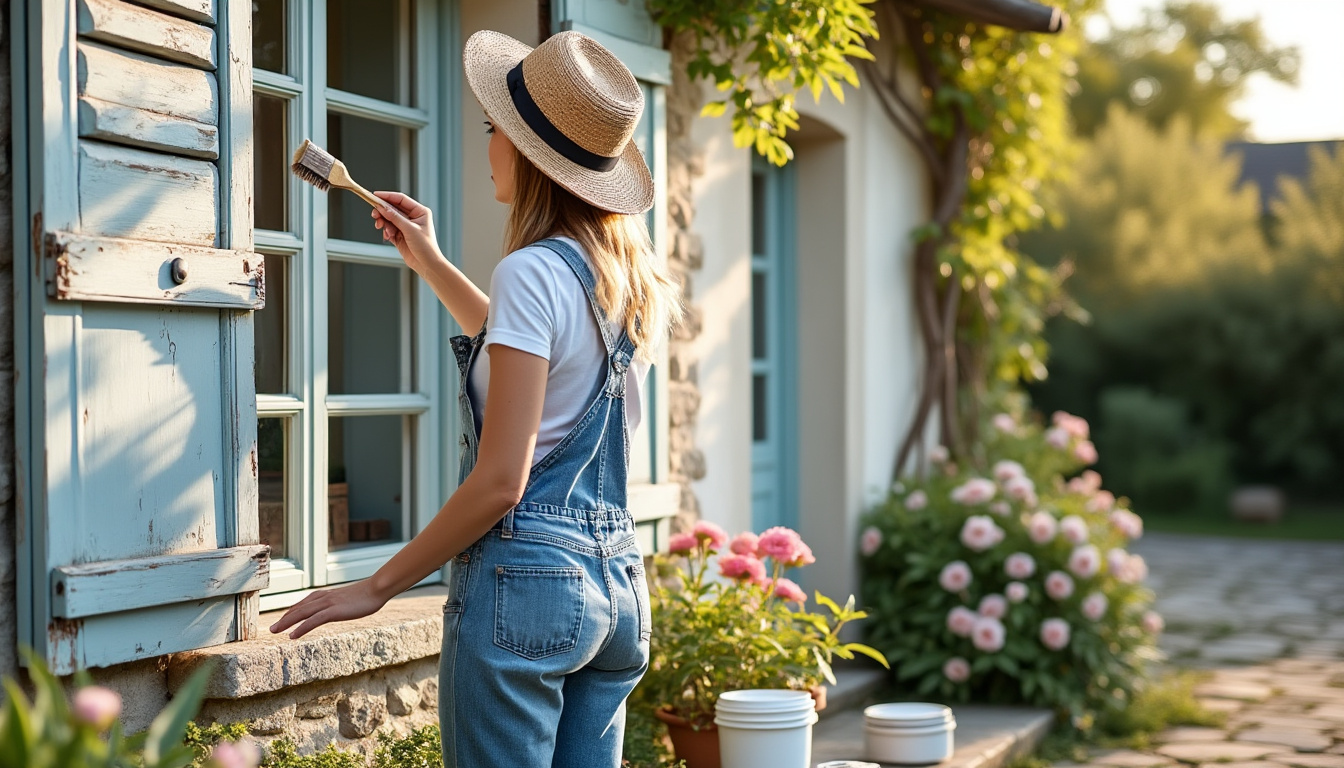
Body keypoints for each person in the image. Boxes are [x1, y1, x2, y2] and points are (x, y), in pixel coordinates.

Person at [268, 29, 682, 767]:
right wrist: (429, 260)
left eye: (493, 129)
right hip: (617, 584)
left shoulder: (530, 271)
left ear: (527, 154)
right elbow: (531, 356)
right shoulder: (622, 279)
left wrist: (379, 585)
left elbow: (500, 483)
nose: (487, 144)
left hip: (529, 588)